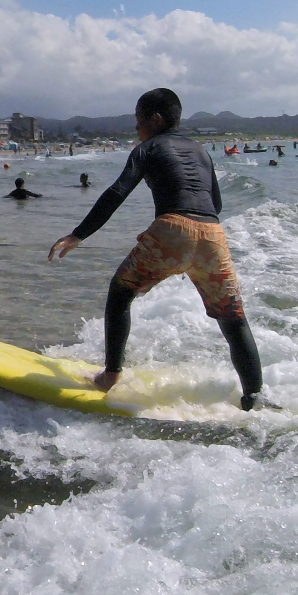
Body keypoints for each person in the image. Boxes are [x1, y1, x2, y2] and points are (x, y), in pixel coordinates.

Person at [47, 88, 266, 411]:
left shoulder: (147, 148)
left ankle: (110, 376)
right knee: (234, 320)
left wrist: (78, 235)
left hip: (171, 230)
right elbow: (215, 204)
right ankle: (255, 399)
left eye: (138, 122)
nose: (136, 129)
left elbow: (117, 191)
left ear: (155, 119)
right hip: (213, 235)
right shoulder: (201, 152)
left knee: (121, 292)